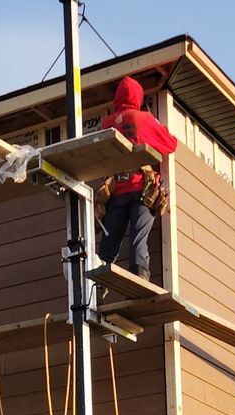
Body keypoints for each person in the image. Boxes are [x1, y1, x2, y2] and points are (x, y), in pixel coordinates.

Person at [95, 76, 177, 280]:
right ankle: (140, 275)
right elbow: (170, 144)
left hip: (117, 190)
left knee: (110, 236)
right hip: (142, 188)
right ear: (137, 98)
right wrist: (155, 122)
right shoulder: (144, 119)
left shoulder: (107, 122)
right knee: (138, 238)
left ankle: (99, 278)